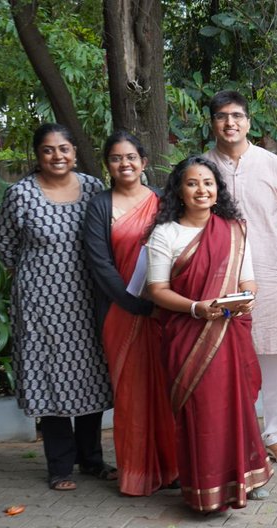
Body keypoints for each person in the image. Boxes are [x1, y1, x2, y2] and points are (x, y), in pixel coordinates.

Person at [145, 156, 272, 512]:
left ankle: (248, 475)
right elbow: (157, 289)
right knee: (202, 413)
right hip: (187, 335)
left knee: (236, 406)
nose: (201, 189)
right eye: (192, 183)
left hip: (229, 331)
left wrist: (246, 298)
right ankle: (204, 489)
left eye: (208, 182)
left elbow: (247, 279)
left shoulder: (233, 230)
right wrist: (196, 308)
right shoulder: (165, 233)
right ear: (179, 191)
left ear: (217, 190)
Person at [0, 123, 115, 491]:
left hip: (86, 301)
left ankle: (92, 459)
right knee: (49, 378)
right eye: (48, 150)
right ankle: (60, 465)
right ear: (38, 155)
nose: (57, 156)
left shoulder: (94, 189)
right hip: (40, 305)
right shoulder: (21, 194)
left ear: (75, 152)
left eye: (64, 148)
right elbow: (5, 247)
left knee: (90, 376)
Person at [203, 91, 277, 465]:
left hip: (270, 273)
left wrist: (267, 253)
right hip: (217, 279)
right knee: (223, 358)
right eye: (221, 116)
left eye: (237, 116)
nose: (230, 123)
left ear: (249, 122)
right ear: (212, 122)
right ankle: (233, 435)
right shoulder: (200, 167)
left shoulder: (275, 165)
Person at [82, 130, 180, 496]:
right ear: (108, 164)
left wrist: (161, 301)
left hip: (163, 310)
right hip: (120, 312)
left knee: (165, 389)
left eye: (131, 157)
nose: (125, 164)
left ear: (143, 161)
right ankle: (137, 474)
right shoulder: (99, 205)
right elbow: (99, 262)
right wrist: (132, 303)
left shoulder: (161, 200)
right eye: (116, 158)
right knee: (132, 393)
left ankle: (172, 469)